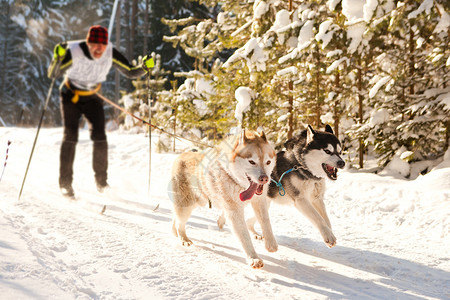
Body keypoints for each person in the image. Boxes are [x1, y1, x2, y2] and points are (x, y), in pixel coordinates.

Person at [48, 25, 154, 198]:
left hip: (92, 96)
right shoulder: (75, 51)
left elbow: (130, 72)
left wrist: (144, 67)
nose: (99, 48)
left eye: (102, 45)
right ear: (88, 43)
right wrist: (57, 58)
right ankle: (65, 184)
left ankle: (102, 183)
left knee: (100, 137)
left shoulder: (110, 53)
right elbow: (54, 74)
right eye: (95, 44)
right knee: (71, 137)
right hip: (71, 96)